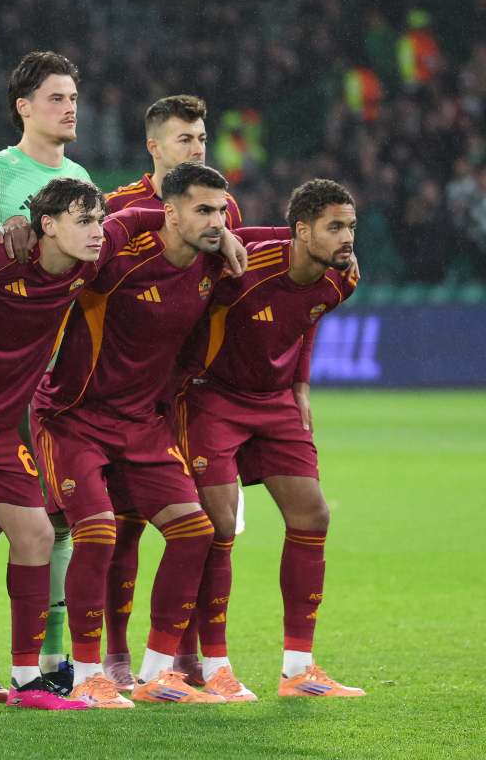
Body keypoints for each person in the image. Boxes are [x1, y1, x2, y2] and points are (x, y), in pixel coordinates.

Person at [0, 176, 176, 717]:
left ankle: (27, 680)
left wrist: (222, 231)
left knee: (38, 534)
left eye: (97, 220)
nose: (97, 232)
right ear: (48, 226)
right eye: (84, 221)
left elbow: (136, 219)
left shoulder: (89, 261)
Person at [30, 163, 255, 706]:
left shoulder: (212, 266)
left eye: (221, 211)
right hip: (72, 416)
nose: (217, 221)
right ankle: (87, 675)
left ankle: (159, 675)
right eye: (202, 210)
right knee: (100, 532)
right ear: (169, 212)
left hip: (141, 424)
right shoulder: (117, 256)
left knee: (195, 531)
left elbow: (274, 246)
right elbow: (79, 246)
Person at [173, 178, 365, 699]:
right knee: (219, 526)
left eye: (350, 225)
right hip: (212, 397)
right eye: (335, 227)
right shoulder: (244, 270)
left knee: (313, 515)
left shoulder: (341, 279)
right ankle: (213, 666)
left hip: (274, 402)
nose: (347, 237)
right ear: (301, 231)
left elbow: (308, 319)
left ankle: (298, 669)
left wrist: (300, 381)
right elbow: (187, 319)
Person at [0, 50, 93, 694]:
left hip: (51, 374)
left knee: (56, 518)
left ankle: (50, 661)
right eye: (57, 97)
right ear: (24, 107)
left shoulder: (82, 178)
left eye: (73, 97)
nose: (70, 107)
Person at [102, 94, 247, 689]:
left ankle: (194, 657)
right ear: (154, 147)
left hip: (188, 398)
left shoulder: (222, 211)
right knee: (123, 526)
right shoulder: (117, 211)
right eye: (184, 139)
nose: (196, 147)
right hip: (120, 398)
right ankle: (114, 655)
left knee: (212, 526)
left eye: (202, 139)